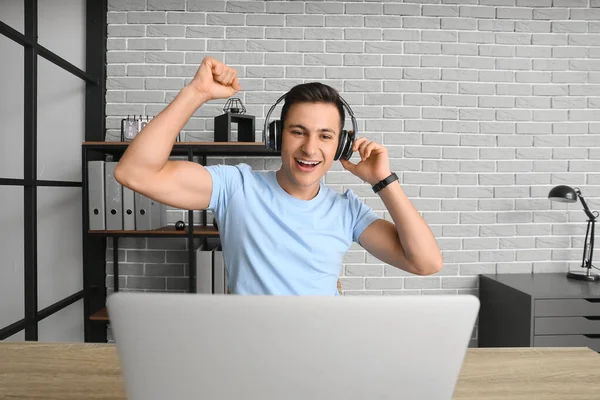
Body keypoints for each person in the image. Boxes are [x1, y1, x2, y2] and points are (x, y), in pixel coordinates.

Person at [115, 56, 443, 295]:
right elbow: (135, 172)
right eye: (298, 132)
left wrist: (383, 182)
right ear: (277, 136)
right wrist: (197, 92)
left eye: (326, 136)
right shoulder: (235, 187)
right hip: (254, 354)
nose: (310, 148)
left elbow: (425, 263)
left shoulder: (347, 210)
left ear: (341, 145)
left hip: (322, 351)